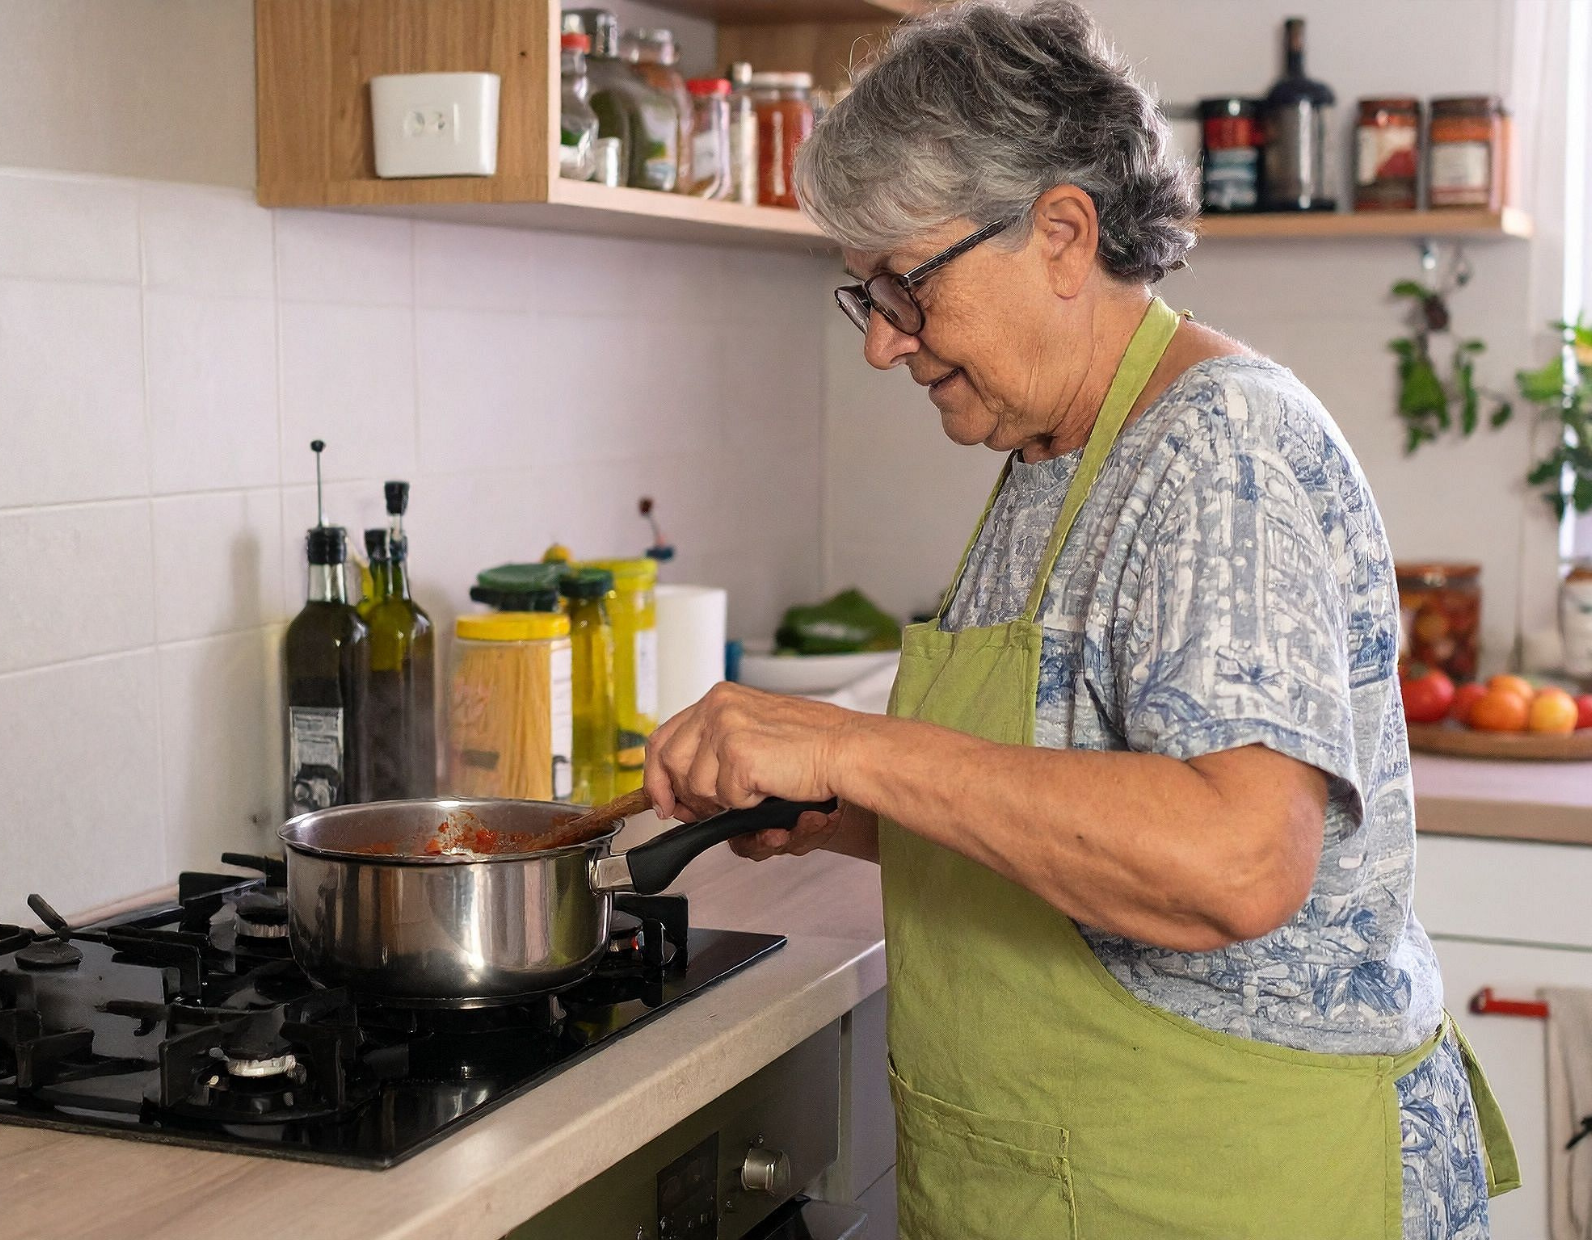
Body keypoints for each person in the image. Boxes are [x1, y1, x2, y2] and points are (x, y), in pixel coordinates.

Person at [641, 2, 1516, 1237]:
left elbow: (1234, 862)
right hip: (1080, 1180)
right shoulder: (1050, 457)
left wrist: (851, 748)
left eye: (905, 285)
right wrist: (841, 817)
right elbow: (1070, 813)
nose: (884, 345)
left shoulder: (1217, 450)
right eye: (863, 296)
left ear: (1060, 234)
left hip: (1236, 1184)